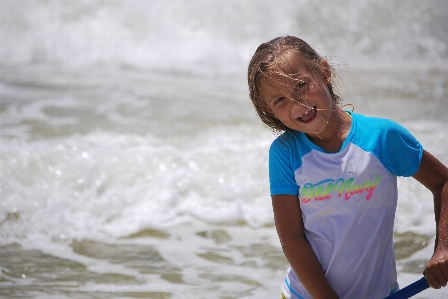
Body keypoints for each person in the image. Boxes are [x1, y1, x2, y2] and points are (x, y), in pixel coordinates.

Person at [247, 36, 448, 299]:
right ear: (269, 110)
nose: (296, 104)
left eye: (300, 86)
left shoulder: (381, 137)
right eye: (280, 100)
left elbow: (442, 182)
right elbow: (292, 236)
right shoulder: (285, 153)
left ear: (324, 72)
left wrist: (443, 247)